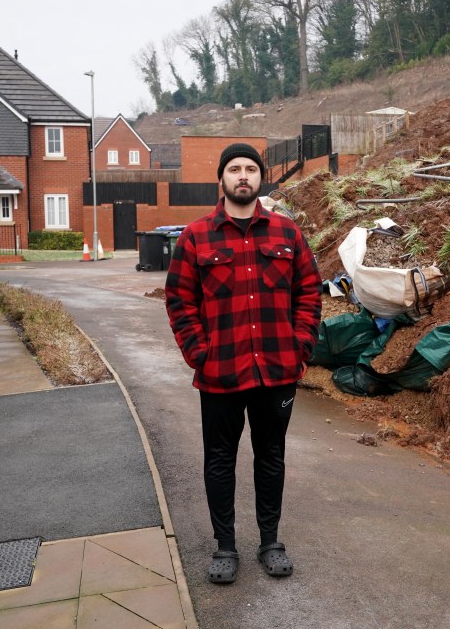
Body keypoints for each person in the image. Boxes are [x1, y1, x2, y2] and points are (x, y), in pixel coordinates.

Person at [164, 143, 322, 584]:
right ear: (222, 179)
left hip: (277, 371)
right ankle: (225, 546)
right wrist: (200, 354)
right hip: (221, 372)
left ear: (260, 178)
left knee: (271, 457)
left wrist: (301, 346)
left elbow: (309, 293)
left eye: (250, 169)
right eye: (234, 169)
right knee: (220, 460)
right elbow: (180, 301)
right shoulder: (195, 237)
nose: (242, 176)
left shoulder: (287, 234)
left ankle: (270, 542)